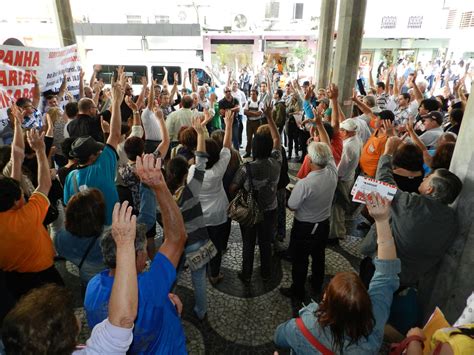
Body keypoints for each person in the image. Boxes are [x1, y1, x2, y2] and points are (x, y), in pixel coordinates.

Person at [2, 201, 139, 354]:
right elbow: (122, 320)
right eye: (69, 312)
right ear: (66, 334)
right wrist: (125, 242)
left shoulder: (62, 240)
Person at [275, 192, 401, 354]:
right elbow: (387, 273)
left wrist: (382, 220)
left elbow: (279, 336)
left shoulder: (302, 329)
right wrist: (383, 221)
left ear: (326, 299)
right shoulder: (374, 320)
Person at [85, 155, 187, 354]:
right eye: (143, 254)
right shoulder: (150, 287)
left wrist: (165, 305)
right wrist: (159, 186)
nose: (147, 258)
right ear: (137, 256)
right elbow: (176, 238)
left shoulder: (93, 287)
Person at [360, 137, 463, 315]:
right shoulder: (452, 221)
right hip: (409, 278)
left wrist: (387, 153)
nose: (425, 176)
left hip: (380, 265)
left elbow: (384, 183)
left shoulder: (412, 204)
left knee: (365, 300)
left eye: (429, 177)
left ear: (430, 189)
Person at [0, 113, 63, 304]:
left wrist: (18, 125)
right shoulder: (28, 216)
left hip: (11, 279)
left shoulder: (12, 209)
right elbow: (44, 183)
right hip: (42, 275)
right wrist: (41, 151)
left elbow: (16, 156)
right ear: (16, 200)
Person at [280, 113, 337, 301]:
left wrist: (290, 193)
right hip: (323, 223)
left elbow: (292, 205)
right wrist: (320, 124)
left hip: (305, 226)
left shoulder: (305, 184)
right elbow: (327, 145)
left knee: (300, 259)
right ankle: (317, 281)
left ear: (311, 161)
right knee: (319, 255)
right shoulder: (331, 171)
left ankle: (297, 289)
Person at [64, 67, 127, 226]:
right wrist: (117, 103)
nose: (100, 150)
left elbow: (67, 205)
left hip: (86, 230)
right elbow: (115, 133)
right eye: (97, 150)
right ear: (92, 156)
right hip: (109, 225)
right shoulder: (102, 165)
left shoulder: (70, 177)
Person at [163, 117, 210, 320]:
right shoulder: (190, 192)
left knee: (171, 276)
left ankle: (166, 303)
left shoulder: (162, 195)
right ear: (185, 175)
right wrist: (200, 134)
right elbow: (200, 164)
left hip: (174, 243)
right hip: (196, 239)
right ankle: (201, 311)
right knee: (199, 278)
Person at [229, 106, 282, 283]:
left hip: (251, 211)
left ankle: (246, 273)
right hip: (271, 209)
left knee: (249, 244)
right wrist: (269, 117)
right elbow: (276, 139)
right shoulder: (276, 162)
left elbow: (233, 188)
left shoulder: (247, 169)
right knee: (266, 242)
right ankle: (266, 271)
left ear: (255, 148)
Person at [189, 111, 233, 284]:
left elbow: (199, 160)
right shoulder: (218, 169)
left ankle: (199, 268)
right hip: (217, 214)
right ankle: (214, 274)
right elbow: (226, 148)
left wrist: (199, 132)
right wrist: (228, 125)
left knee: (199, 245)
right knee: (215, 247)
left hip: (199, 216)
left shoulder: (195, 172)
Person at [54, 188, 107, 286]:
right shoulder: (108, 238)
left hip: (86, 279)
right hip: (107, 278)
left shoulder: (60, 237)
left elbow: (61, 251)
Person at [243, 88, 264, 158]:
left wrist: (250, 112)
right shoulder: (248, 102)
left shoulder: (260, 103)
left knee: (257, 138)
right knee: (249, 138)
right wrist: (254, 113)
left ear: (257, 95)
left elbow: (259, 113)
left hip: (257, 122)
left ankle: (256, 152)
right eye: (251, 94)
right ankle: (248, 152)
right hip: (249, 122)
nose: (252, 95)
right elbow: (245, 112)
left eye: (253, 94)